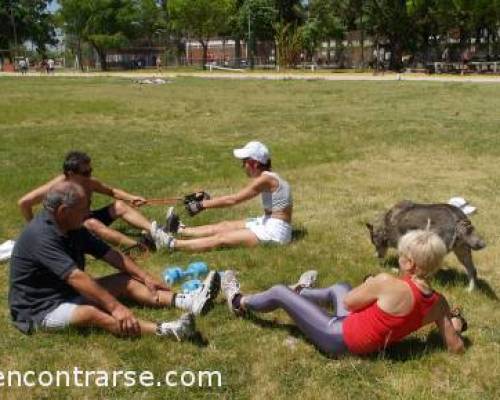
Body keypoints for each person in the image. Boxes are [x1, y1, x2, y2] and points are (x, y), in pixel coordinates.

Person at [9, 181, 220, 339]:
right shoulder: (40, 236)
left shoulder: (71, 225)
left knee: (124, 281)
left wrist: (145, 276)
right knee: (93, 313)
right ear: (63, 211)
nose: (87, 214)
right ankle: (168, 330)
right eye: (83, 209)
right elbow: (76, 277)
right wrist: (116, 307)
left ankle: (188, 301)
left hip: (66, 292)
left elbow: (111, 254)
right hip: (40, 309)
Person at [220, 230, 466, 356]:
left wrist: (370, 285)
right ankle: (301, 293)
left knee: (279, 292)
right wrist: (454, 324)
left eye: (402, 255)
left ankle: (238, 301)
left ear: (410, 263)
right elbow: (456, 347)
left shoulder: (386, 282)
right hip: (367, 343)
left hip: (338, 338)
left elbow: (349, 304)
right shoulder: (439, 302)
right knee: (338, 287)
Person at [151, 141, 293, 252]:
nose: (243, 166)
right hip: (267, 221)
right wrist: (206, 201)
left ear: (254, 163)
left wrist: (202, 205)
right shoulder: (269, 178)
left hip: (276, 233)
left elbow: (233, 200)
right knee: (225, 225)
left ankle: (171, 244)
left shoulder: (266, 180)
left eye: (244, 162)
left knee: (222, 239)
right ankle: (179, 230)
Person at [18, 150, 159, 250]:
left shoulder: (88, 182)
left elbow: (111, 191)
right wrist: (35, 229)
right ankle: (140, 247)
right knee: (92, 223)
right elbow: (24, 203)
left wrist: (132, 198)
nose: (89, 175)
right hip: (70, 228)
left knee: (119, 206)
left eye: (90, 171)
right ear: (70, 174)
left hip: (85, 217)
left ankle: (156, 232)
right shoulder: (57, 187)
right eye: (85, 173)